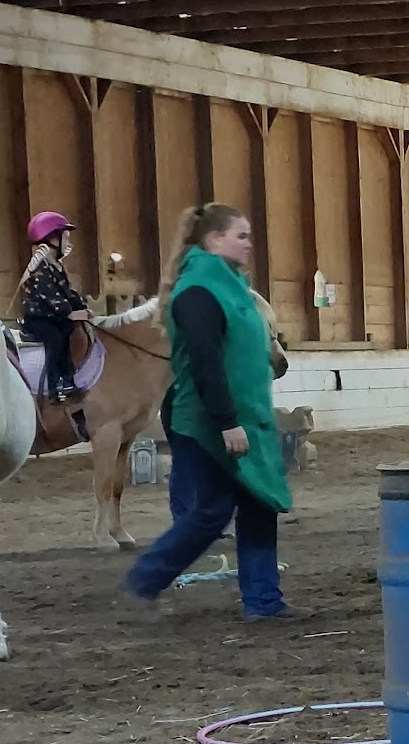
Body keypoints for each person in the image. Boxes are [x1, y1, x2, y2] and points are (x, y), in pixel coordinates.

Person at [125, 204, 294, 621]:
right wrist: (227, 423)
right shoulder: (199, 292)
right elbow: (205, 362)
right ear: (213, 240)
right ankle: (143, 580)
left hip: (243, 416)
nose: (249, 244)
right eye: (241, 235)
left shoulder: (232, 288)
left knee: (258, 504)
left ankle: (264, 602)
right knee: (210, 512)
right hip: (205, 421)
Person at [18, 211, 90, 402]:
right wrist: (71, 313)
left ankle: (69, 376)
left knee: (72, 332)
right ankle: (54, 384)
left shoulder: (57, 267)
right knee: (56, 339)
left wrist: (82, 307)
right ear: (52, 239)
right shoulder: (39, 269)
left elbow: (68, 293)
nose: (68, 242)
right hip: (38, 319)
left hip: (54, 317)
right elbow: (51, 298)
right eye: (65, 236)